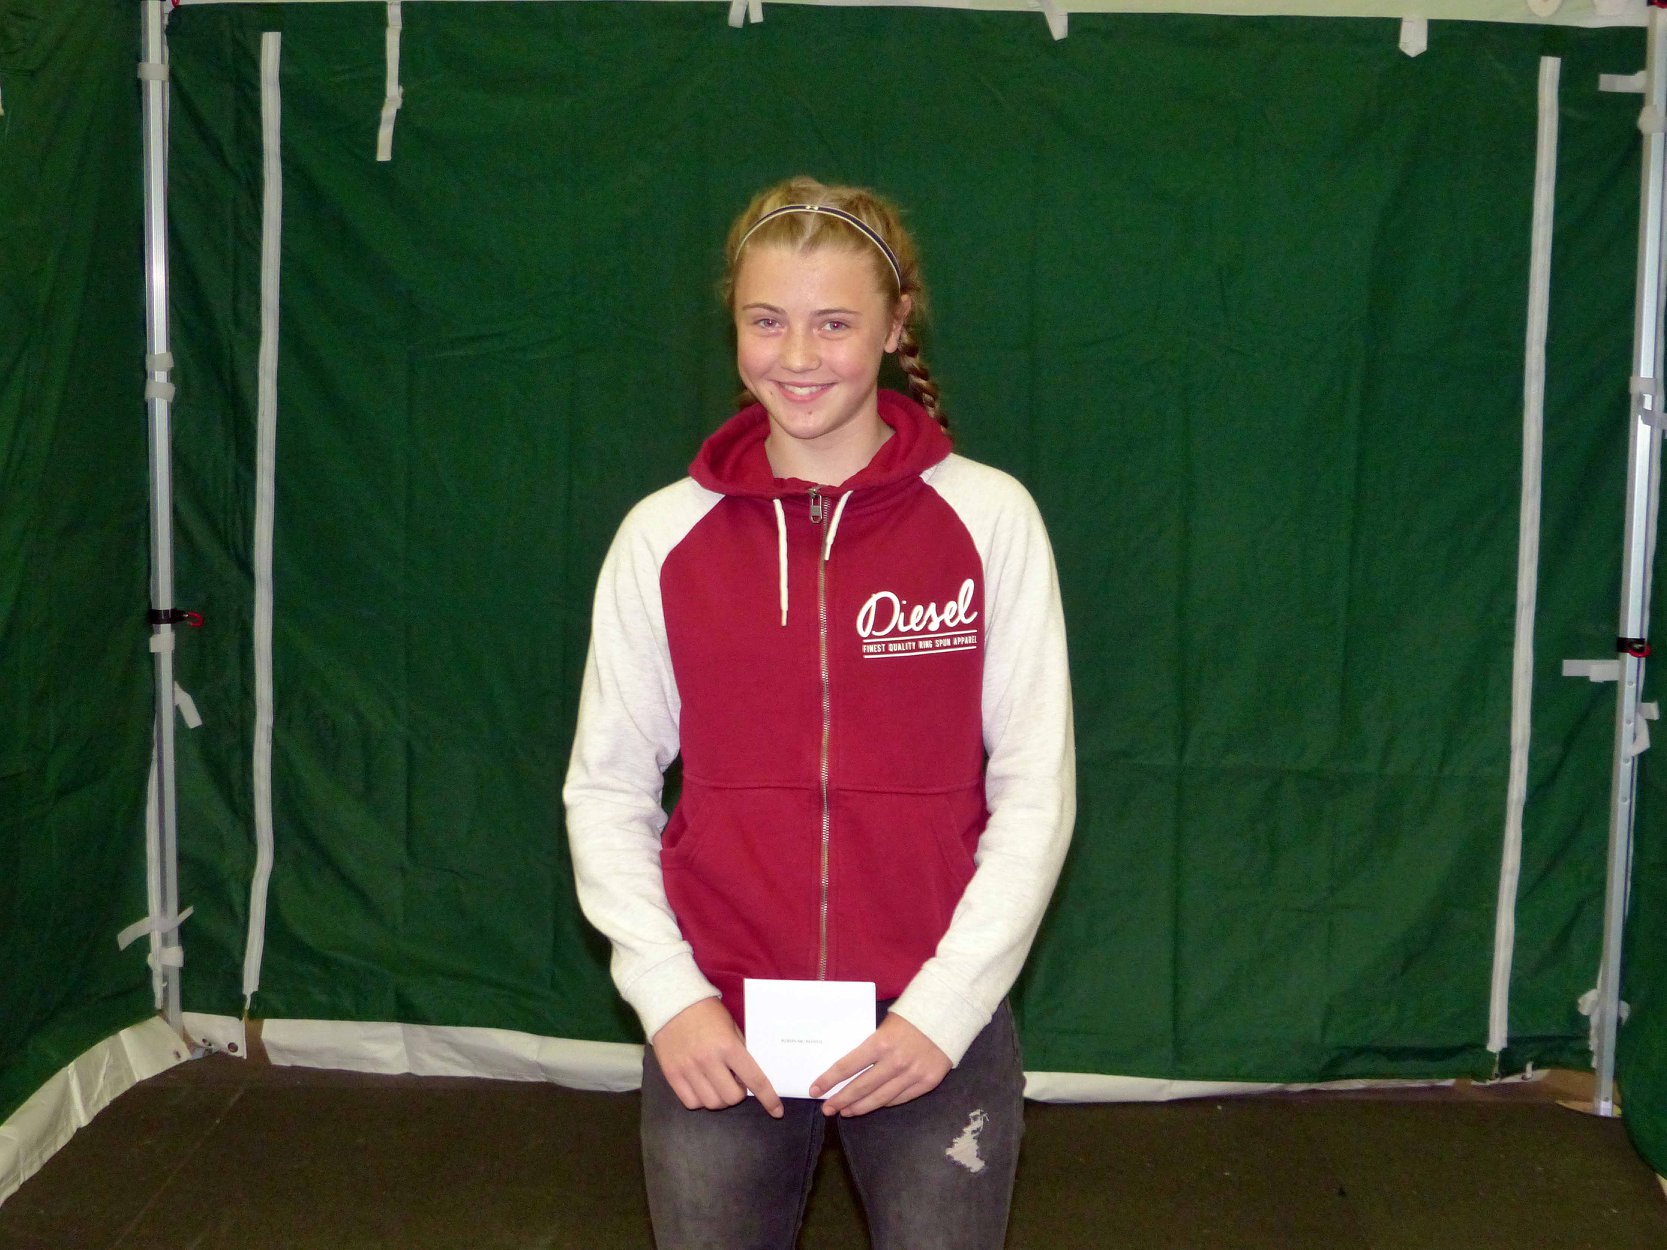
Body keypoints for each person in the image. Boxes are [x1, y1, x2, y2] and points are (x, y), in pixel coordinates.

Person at [563, 175, 1075, 1250]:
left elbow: (1035, 788)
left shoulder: (989, 519)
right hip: (719, 1027)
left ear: (895, 325)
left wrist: (944, 1007)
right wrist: (669, 995)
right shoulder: (661, 536)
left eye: (834, 322)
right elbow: (606, 786)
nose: (796, 356)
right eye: (766, 320)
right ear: (733, 325)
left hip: (931, 1028)